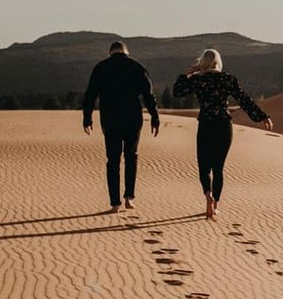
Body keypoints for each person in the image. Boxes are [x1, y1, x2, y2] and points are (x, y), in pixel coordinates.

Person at [172, 49, 272, 220]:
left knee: (204, 166)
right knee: (218, 168)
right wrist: (262, 117)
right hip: (224, 126)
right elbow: (244, 100)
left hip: (206, 125)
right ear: (219, 62)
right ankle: (216, 204)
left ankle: (208, 196)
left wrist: (187, 73)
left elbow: (177, 92)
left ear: (202, 62)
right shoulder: (228, 79)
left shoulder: (198, 79)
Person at [82, 41, 160, 213]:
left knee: (113, 160)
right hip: (132, 118)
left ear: (111, 53)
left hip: (110, 119)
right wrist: (155, 116)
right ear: (126, 52)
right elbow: (149, 95)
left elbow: (90, 94)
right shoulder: (137, 67)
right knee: (131, 156)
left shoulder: (101, 68)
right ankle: (129, 197)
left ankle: (114, 202)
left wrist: (87, 116)